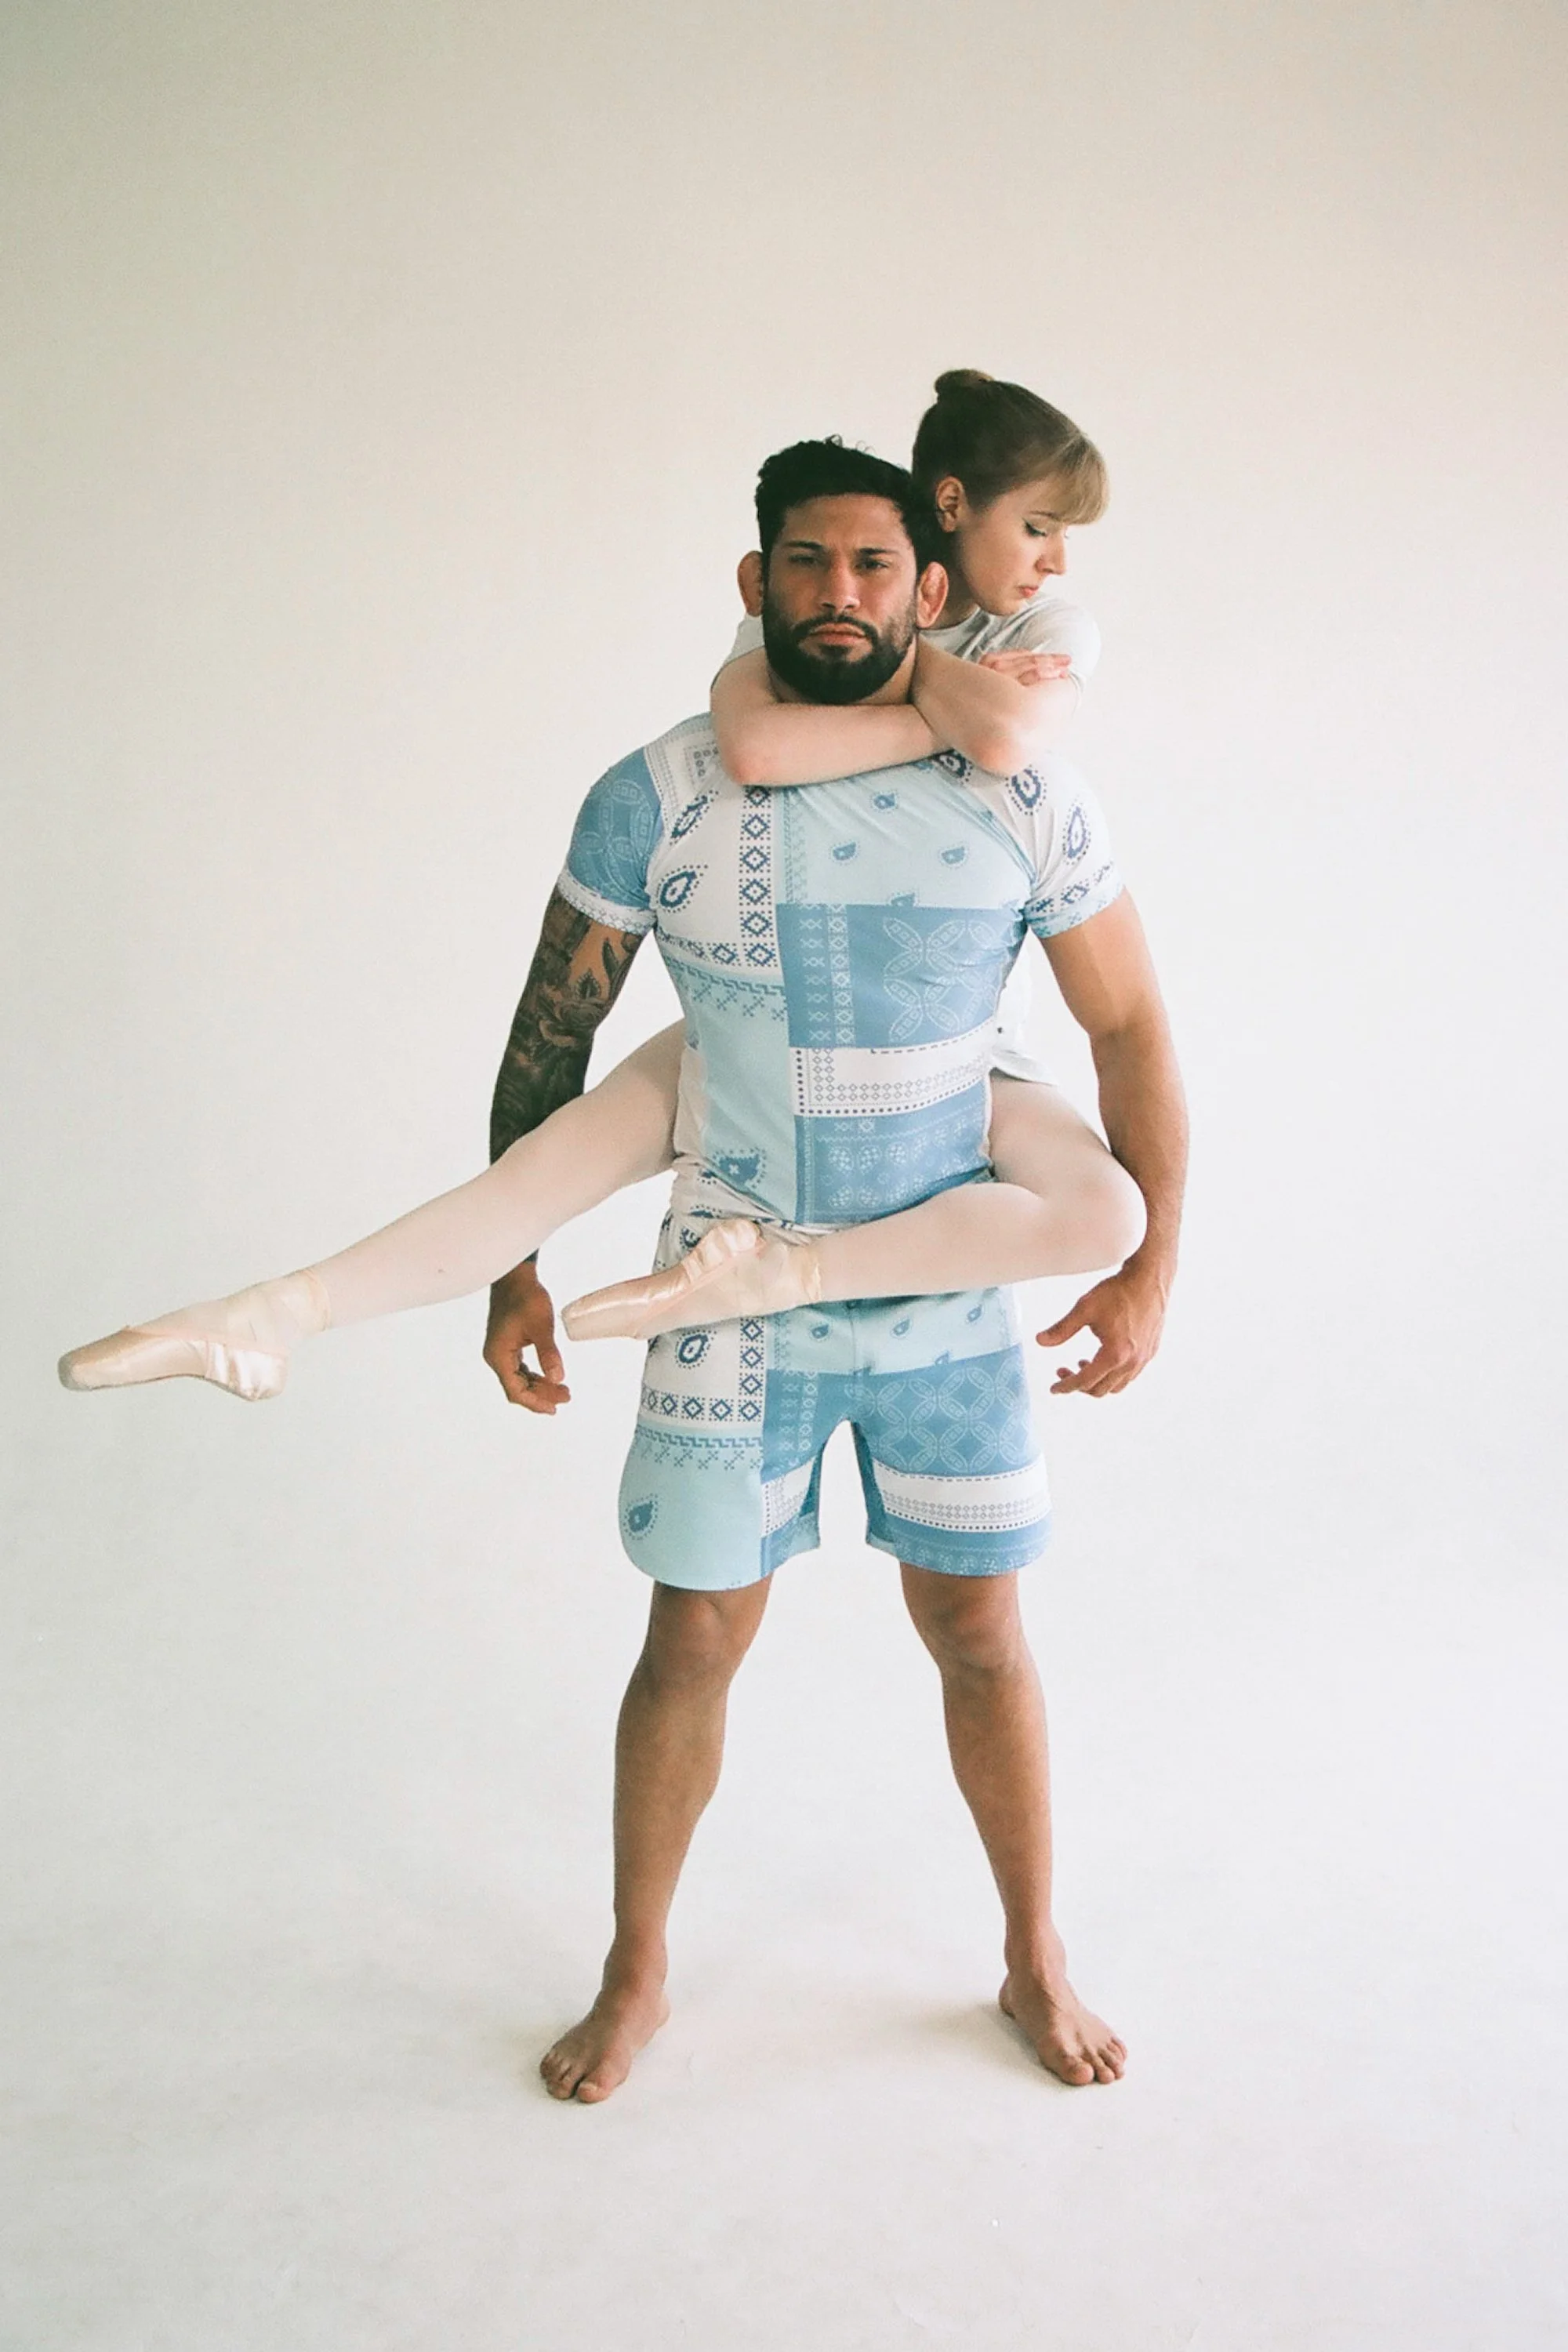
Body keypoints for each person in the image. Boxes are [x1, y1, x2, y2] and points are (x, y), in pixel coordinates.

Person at [494, 438, 1184, 2101]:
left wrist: (1152, 1266)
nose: (837, 593)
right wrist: (513, 1266)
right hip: (725, 1286)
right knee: (692, 1636)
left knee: (980, 1630)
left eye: (872, 565)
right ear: (756, 581)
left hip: (948, 1294)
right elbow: (551, 1034)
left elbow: (1129, 1025)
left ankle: (1033, 1958)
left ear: (929, 589)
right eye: (804, 562)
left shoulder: (1024, 787)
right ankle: (638, 1971)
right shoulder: (660, 790)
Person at [56, 374, 1147, 1408]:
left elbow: (1011, 741)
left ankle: (781, 1273)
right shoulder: (787, 668)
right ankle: (265, 1315)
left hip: (948, 1054)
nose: (1054, 561)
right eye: (1038, 526)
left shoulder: (1048, 634)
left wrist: (919, 681)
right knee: (526, 1185)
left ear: (924, 585)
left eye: (873, 570)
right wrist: (927, 694)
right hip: (747, 1037)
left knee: (1109, 1215)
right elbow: (754, 747)